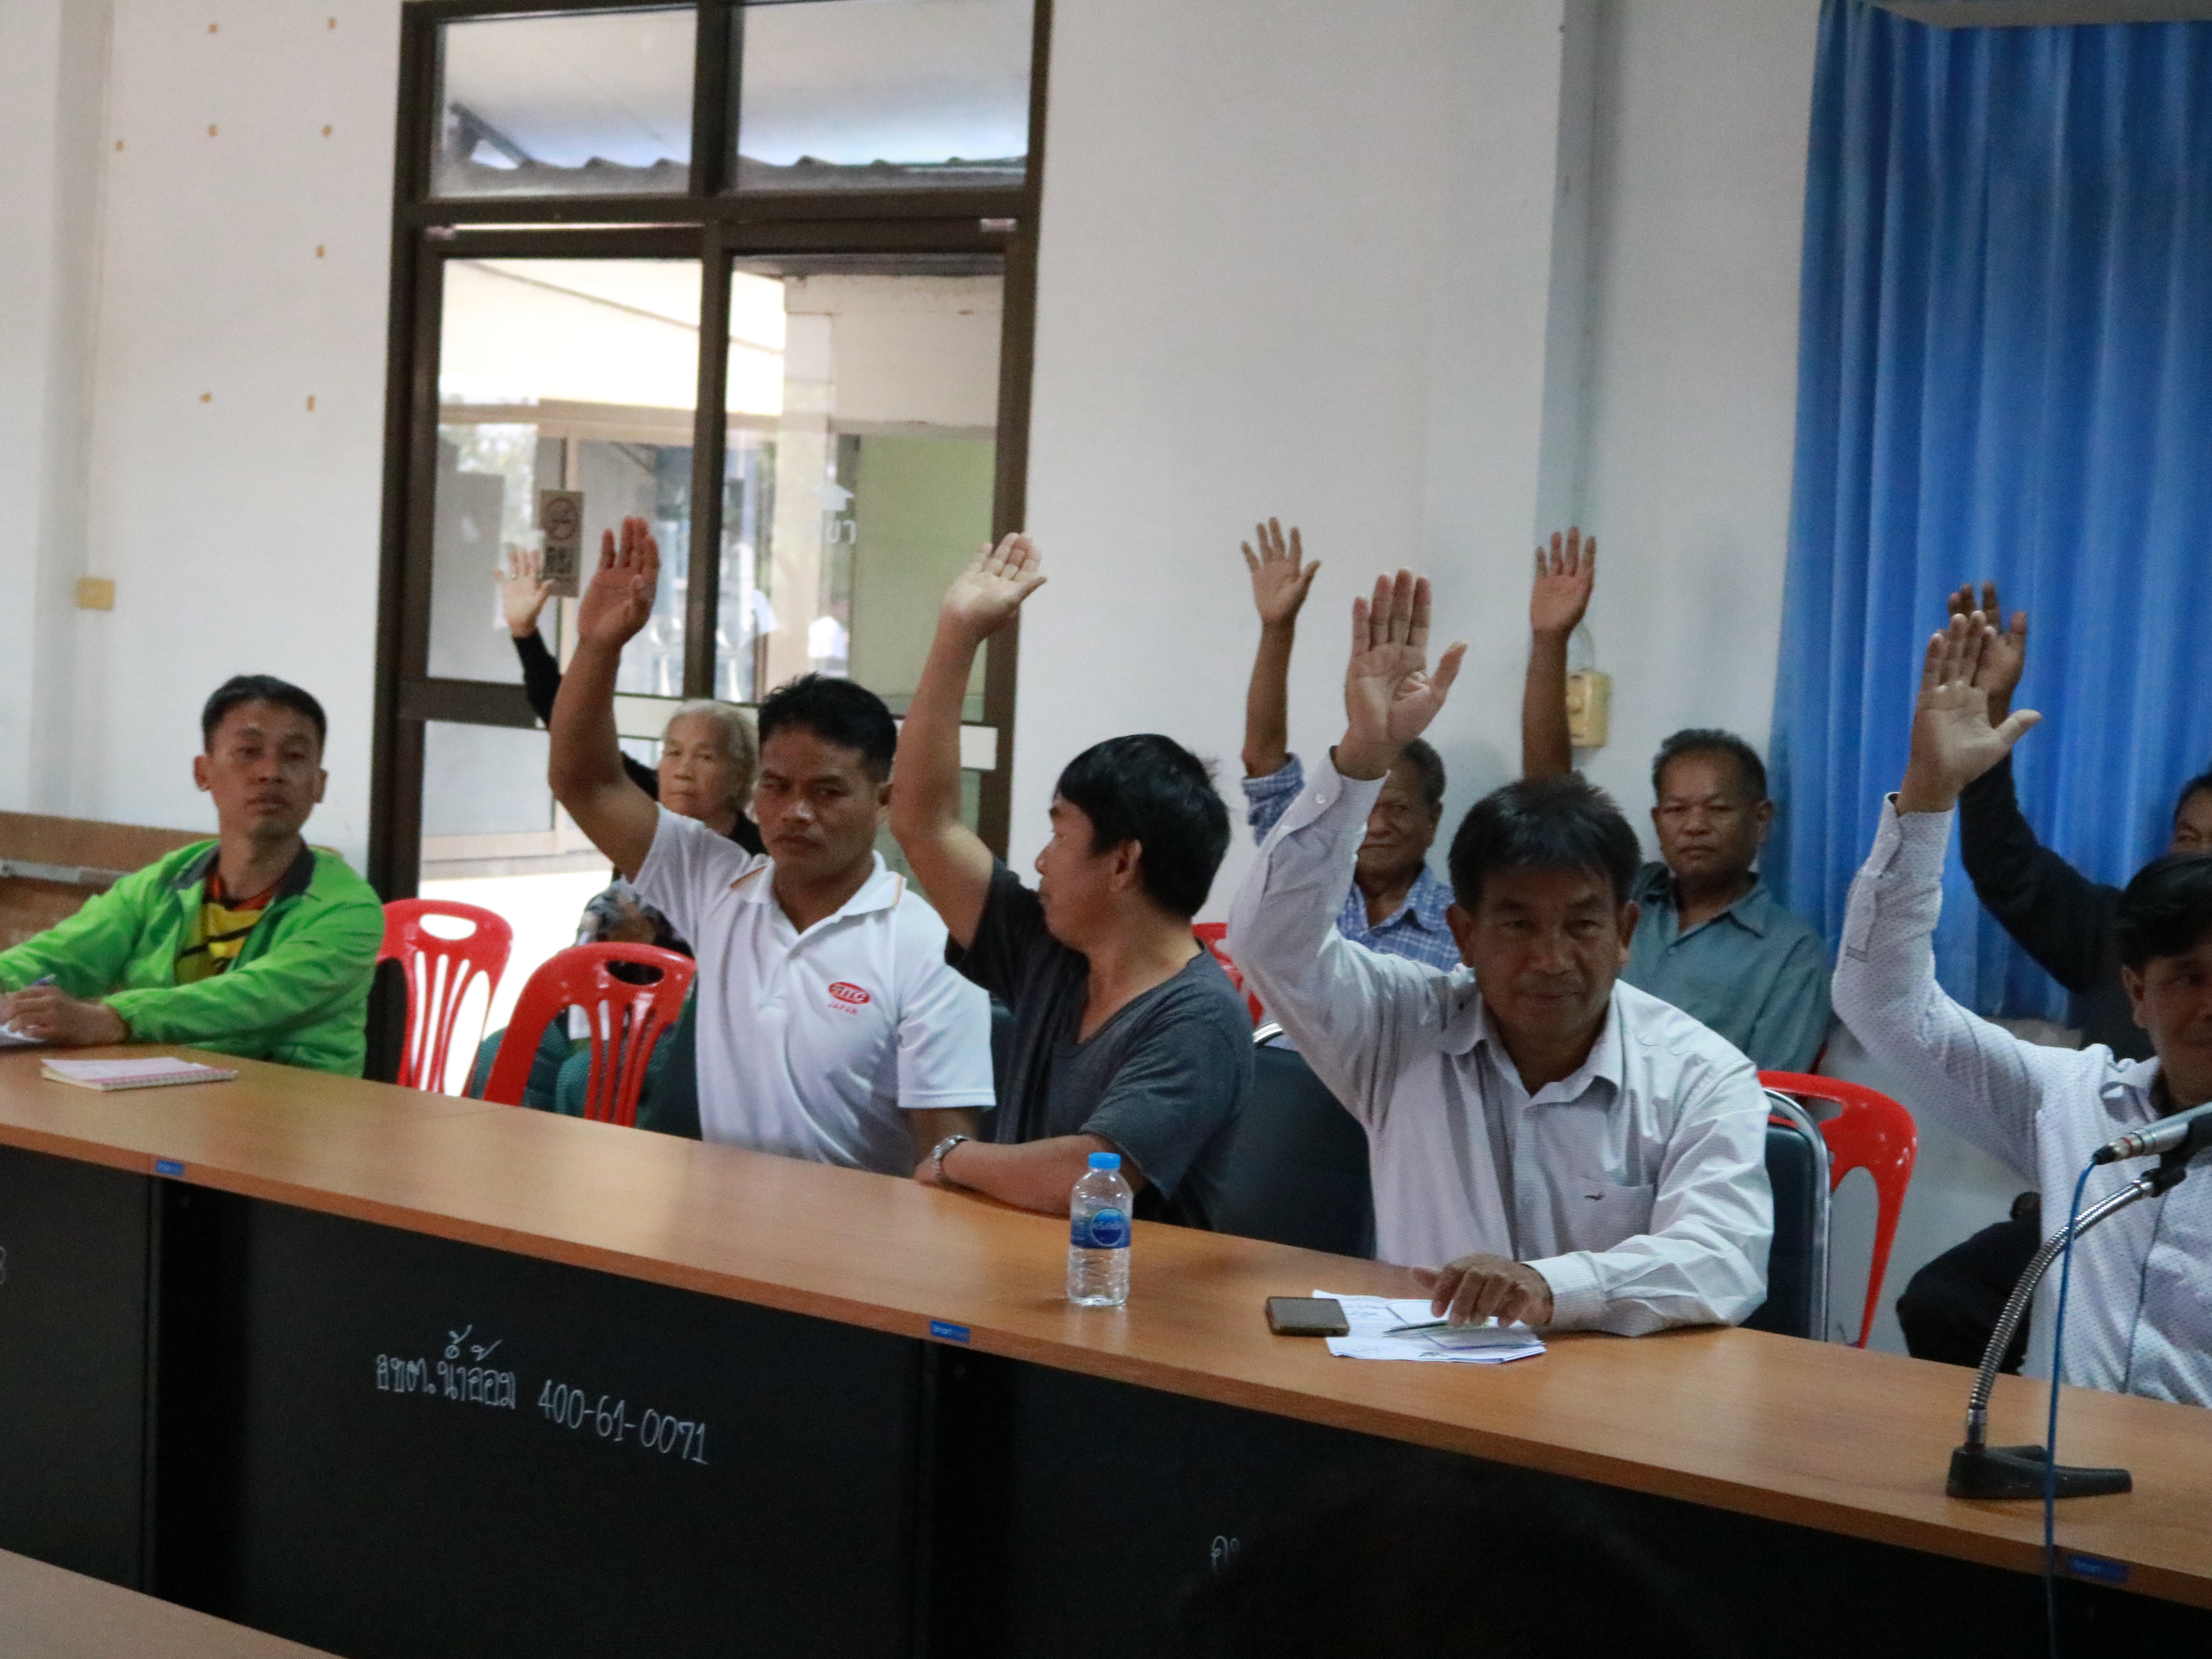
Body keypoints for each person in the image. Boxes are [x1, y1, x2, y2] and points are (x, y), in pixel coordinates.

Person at [1229, 568, 1772, 1333]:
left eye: (1581, 926)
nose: (1551, 959)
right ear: (1464, 936)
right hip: (1419, 1383)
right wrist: (1363, 756)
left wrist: (1550, 1286)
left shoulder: (1701, 1075)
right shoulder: (1399, 1027)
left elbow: (1723, 1257)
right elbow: (1268, 942)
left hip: (1606, 1391)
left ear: (1624, 934)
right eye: (1517, 925)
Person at [1832, 612, 2212, 1405]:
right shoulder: (2078, 1105)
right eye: (2189, 978)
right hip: (2053, 1474)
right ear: (2137, 993)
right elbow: (1885, 1003)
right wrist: (1929, 791)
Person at [546, 517, 994, 1175]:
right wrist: (596, 646)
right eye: (777, 787)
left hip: (854, 1230)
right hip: (714, 1215)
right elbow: (584, 783)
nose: (796, 812)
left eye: (828, 792)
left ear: (884, 801)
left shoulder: (930, 949)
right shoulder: (716, 883)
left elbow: (947, 1165)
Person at [892, 535, 1250, 1226]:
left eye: (1060, 834)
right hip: (1015, 1271)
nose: (1041, 861)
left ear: (1122, 863)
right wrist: (958, 635)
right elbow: (922, 823)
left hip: (1124, 1289)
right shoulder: (1054, 950)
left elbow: (1088, 1177)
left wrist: (954, 1156)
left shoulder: (1200, 1017)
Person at [1521, 529, 1830, 1072]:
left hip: (1701, 1125)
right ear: (1656, 821)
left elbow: (1773, 1093)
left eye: (1718, 809)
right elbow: (1551, 801)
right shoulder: (1623, 896)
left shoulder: (1789, 951)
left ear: (1761, 821)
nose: (1695, 826)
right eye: (1676, 809)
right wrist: (1550, 641)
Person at [0, 676, 384, 1075]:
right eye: (249, 752)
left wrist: (115, 1019)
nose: (271, 772)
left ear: (319, 784)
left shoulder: (349, 908)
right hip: (166, 1093)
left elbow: (253, 998)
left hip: (295, 1103)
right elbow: (64, 954)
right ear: (203, 773)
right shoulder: (169, 880)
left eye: (295, 756)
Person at [1948, 581, 2212, 1061]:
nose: (2200, 860)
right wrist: (1988, 715)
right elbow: (2001, 864)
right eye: (2187, 838)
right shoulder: (2118, 931)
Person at [1237, 518, 1456, 968]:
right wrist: (1277, 627)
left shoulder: (1463, 926)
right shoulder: (1303, 879)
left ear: (1432, 819)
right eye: (1364, 808)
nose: (1377, 826)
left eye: (1398, 808)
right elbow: (1262, 757)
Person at [500, 546, 763, 856]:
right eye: (673, 752)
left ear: (740, 774)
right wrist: (525, 634)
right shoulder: (642, 808)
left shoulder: (762, 858)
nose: (683, 770)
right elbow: (569, 725)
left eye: (705, 757)